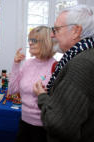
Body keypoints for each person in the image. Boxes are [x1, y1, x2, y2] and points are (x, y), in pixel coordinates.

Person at [33, 5, 94, 142]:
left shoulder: (81, 64)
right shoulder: (82, 55)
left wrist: (42, 96)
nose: (52, 35)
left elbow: (59, 126)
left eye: (57, 29)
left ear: (76, 31)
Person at [8, 26, 56, 142]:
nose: (30, 43)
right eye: (29, 40)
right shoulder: (27, 64)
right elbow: (13, 90)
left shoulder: (56, 66)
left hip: (43, 128)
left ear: (46, 42)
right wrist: (16, 64)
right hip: (24, 122)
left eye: (34, 40)